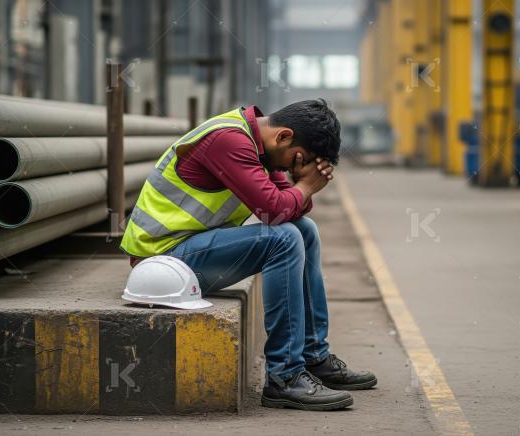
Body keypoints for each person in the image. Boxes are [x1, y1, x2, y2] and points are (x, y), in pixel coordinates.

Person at [120, 99, 377, 411]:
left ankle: (313, 356)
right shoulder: (229, 141)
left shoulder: (259, 144)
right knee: (283, 239)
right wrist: (307, 186)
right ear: (284, 136)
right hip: (161, 263)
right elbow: (274, 209)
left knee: (304, 230)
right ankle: (284, 376)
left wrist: (301, 186)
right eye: (296, 159)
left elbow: (286, 207)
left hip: (189, 251)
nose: (287, 169)